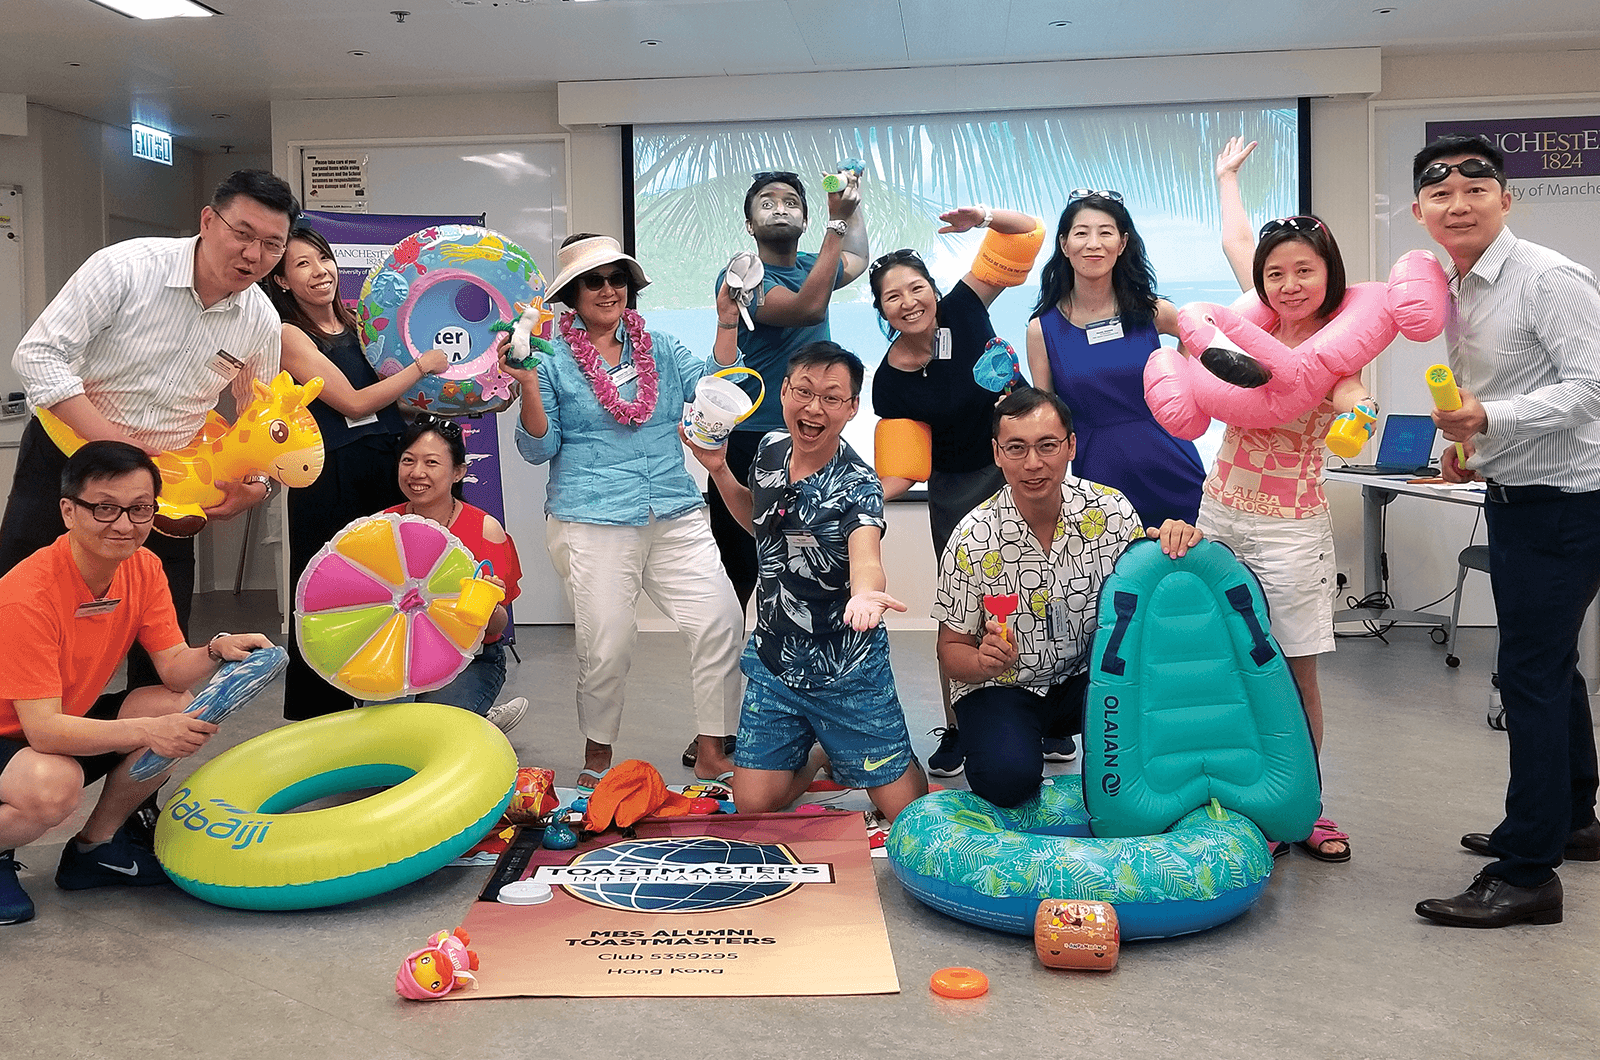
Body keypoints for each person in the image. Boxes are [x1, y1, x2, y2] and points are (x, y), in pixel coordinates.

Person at [0, 170, 297, 693]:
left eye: (272, 245)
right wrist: (114, 443)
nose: (254, 255)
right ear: (208, 221)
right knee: (19, 597)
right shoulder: (126, 268)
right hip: (66, 454)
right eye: (243, 234)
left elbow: (260, 416)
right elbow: (38, 355)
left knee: (163, 639)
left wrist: (255, 484)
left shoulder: (260, 320)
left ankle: (144, 764)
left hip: (167, 484)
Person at [1410, 134, 1600, 929]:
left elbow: (1594, 385)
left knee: (1526, 676)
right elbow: (1505, 388)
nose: (1457, 204)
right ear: (1420, 211)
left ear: (1506, 199)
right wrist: (1471, 450)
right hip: (1520, 490)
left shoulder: (1546, 277)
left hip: (1568, 501)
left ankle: (1528, 871)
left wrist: (1489, 418)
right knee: (1551, 669)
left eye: (1475, 189)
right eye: (1439, 193)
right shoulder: (1461, 285)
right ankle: (1574, 820)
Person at [0, 441, 275, 926]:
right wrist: (151, 734)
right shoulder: (27, 594)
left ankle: (95, 850)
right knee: (52, 786)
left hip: (49, 726)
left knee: (170, 702)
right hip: (15, 735)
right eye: (105, 508)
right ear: (69, 510)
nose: (125, 525)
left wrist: (215, 649)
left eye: (140, 509)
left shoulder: (143, 567)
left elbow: (171, 666)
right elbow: (42, 731)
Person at [506, 234, 744, 786]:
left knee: (721, 620)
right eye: (595, 280)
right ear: (572, 293)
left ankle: (714, 750)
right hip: (592, 517)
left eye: (618, 278)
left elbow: (716, 386)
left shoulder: (660, 345)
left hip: (674, 510)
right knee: (607, 642)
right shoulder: (545, 356)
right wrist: (526, 385)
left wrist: (727, 322)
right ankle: (597, 761)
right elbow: (539, 447)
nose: (609, 290)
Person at [1198, 136, 1374, 863]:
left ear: (1328, 273)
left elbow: (1352, 401)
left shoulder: (1338, 344)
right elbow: (1239, 238)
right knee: (1219, 662)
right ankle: (1241, 798)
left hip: (1291, 529)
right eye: (1277, 272)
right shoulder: (1255, 319)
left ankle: (1304, 805)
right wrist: (1226, 178)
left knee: (1294, 668)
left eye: (1305, 269)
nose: (1289, 283)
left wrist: (1357, 415)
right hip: (1218, 511)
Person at [687, 341, 928, 827]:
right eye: (804, 391)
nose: (814, 407)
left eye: (832, 397)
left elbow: (866, 556)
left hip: (847, 667)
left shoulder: (857, 484)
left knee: (905, 809)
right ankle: (820, 753)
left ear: (852, 408)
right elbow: (757, 523)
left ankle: (878, 754)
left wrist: (865, 593)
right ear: (783, 392)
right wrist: (718, 470)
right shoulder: (770, 450)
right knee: (753, 803)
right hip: (777, 659)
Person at [933, 388, 1200, 808]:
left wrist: (1176, 549)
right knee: (1005, 781)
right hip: (1005, 685)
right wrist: (982, 661)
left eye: (1047, 445)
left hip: (1088, 679)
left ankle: (1065, 735)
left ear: (1071, 446)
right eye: (1016, 448)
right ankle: (1010, 738)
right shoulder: (971, 537)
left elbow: (1150, 607)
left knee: (1168, 700)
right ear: (997, 453)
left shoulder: (1111, 512)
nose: (1033, 463)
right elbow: (950, 651)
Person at [688, 169, 872, 771]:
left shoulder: (818, 258)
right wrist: (835, 225)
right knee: (742, 583)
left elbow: (859, 258)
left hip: (813, 441)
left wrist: (851, 204)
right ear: (749, 223)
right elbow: (808, 306)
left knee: (815, 582)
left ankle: (814, 715)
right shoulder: (742, 276)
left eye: (791, 201)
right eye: (766, 201)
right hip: (750, 441)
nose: (780, 207)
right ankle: (720, 733)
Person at [868, 204, 1038, 778]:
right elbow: (903, 469)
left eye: (917, 288)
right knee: (961, 614)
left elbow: (1027, 233)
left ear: (933, 291)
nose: (909, 301)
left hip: (1021, 466)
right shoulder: (888, 380)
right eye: (894, 297)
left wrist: (983, 218)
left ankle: (1049, 718)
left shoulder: (964, 309)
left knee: (1047, 597)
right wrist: (855, 498)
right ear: (882, 310)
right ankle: (960, 727)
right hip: (955, 491)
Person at [268, 224, 450, 721]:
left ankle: (384, 708)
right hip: (331, 478)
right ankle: (321, 718)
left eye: (321, 258)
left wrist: (459, 400)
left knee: (390, 590)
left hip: (382, 467)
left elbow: (389, 407)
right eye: (301, 264)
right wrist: (422, 367)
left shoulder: (359, 326)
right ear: (282, 281)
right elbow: (349, 402)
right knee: (329, 593)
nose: (318, 271)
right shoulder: (289, 335)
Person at [1025, 190, 1205, 526]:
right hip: (1098, 474)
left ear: (1122, 244)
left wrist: (1182, 385)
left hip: (1170, 460)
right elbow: (1048, 418)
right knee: (1112, 575)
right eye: (1081, 233)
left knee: (1190, 573)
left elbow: (1198, 336)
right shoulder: (1041, 329)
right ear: (1064, 245)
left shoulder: (1152, 311)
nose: (1093, 243)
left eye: (1105, 232)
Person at [380, 417, 527, 733]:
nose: (417, 472)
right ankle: (476, 723)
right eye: (408, 460)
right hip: (398, 657)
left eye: (431, 463)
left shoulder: (485, 529)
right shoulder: (382, 526)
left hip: (472, 659)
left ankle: (475, 719)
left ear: (458, 471)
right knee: (390, 732)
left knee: (432, 730)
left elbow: (496, 627)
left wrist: (485, 602)